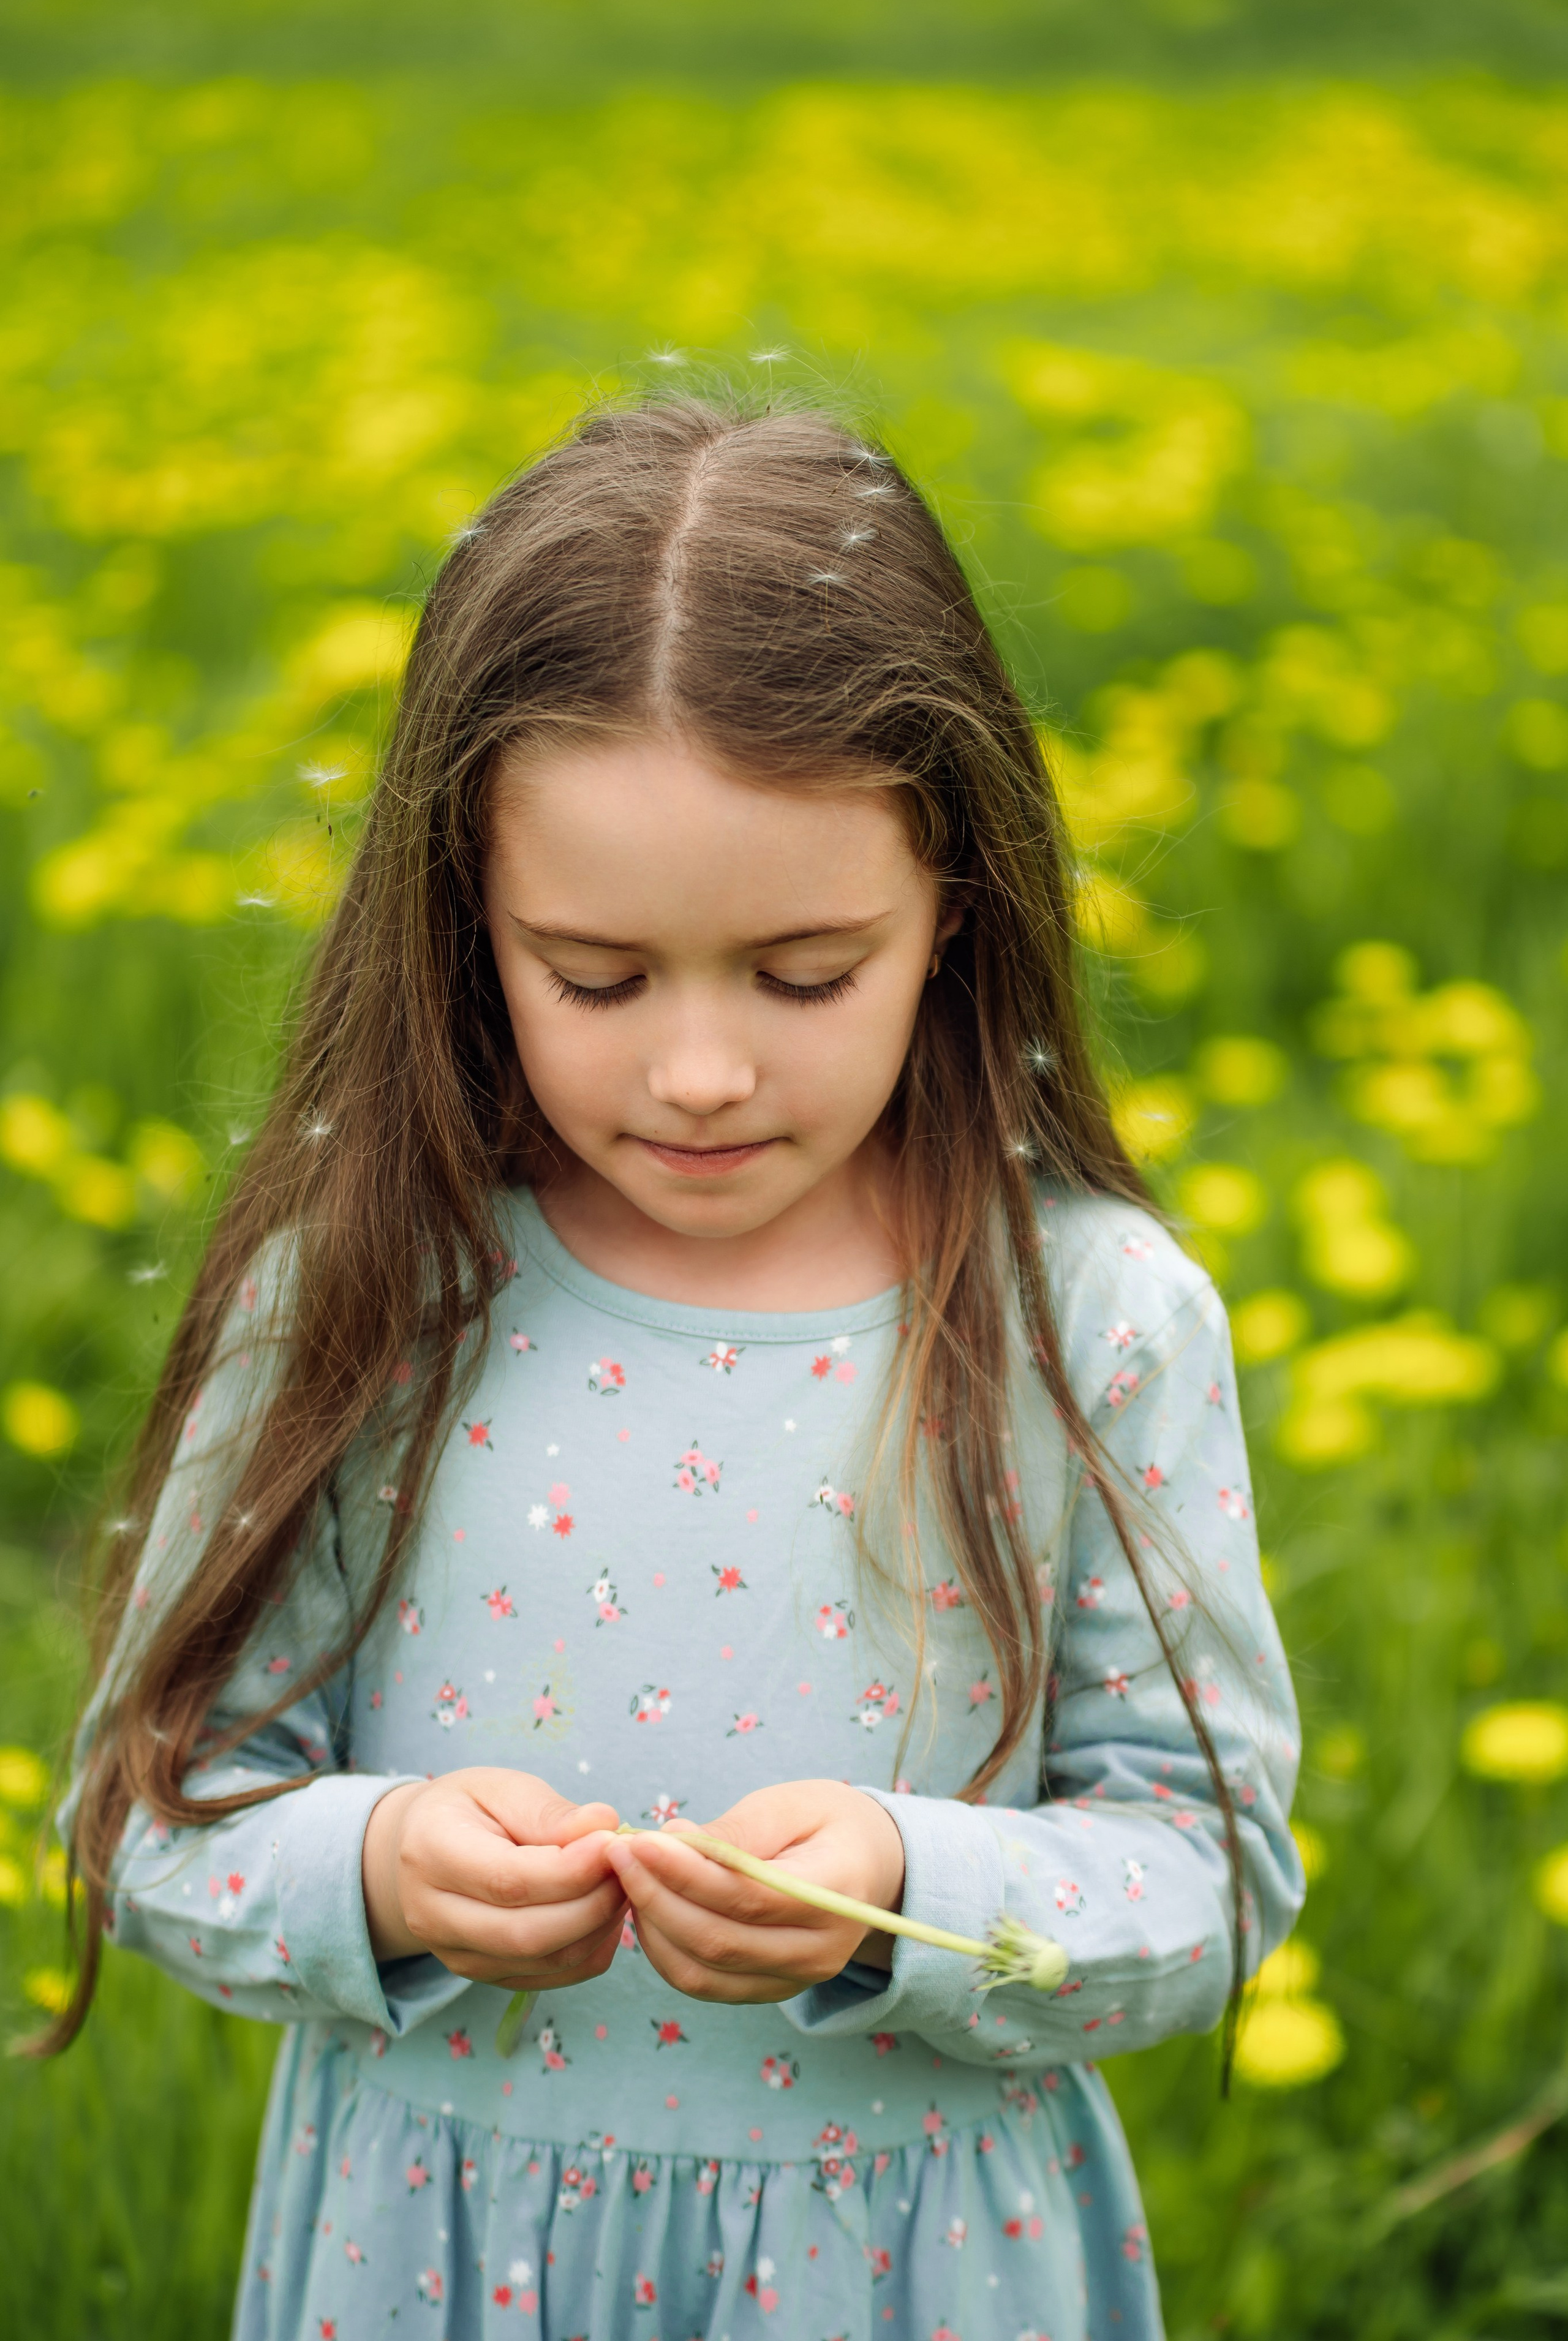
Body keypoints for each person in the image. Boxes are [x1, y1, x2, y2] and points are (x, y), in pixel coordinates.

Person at [51, 393, 1303, 2341]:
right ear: (468, 924)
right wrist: (376, 1865)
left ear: (952, 909)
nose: (702, 1070)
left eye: (808, 975)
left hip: (909, 2275)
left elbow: (1209, 1871)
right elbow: (148, 1808)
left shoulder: (1094, 1321)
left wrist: (917, 1884)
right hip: (440, 2263)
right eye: (598, 977)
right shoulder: (376, 1287)